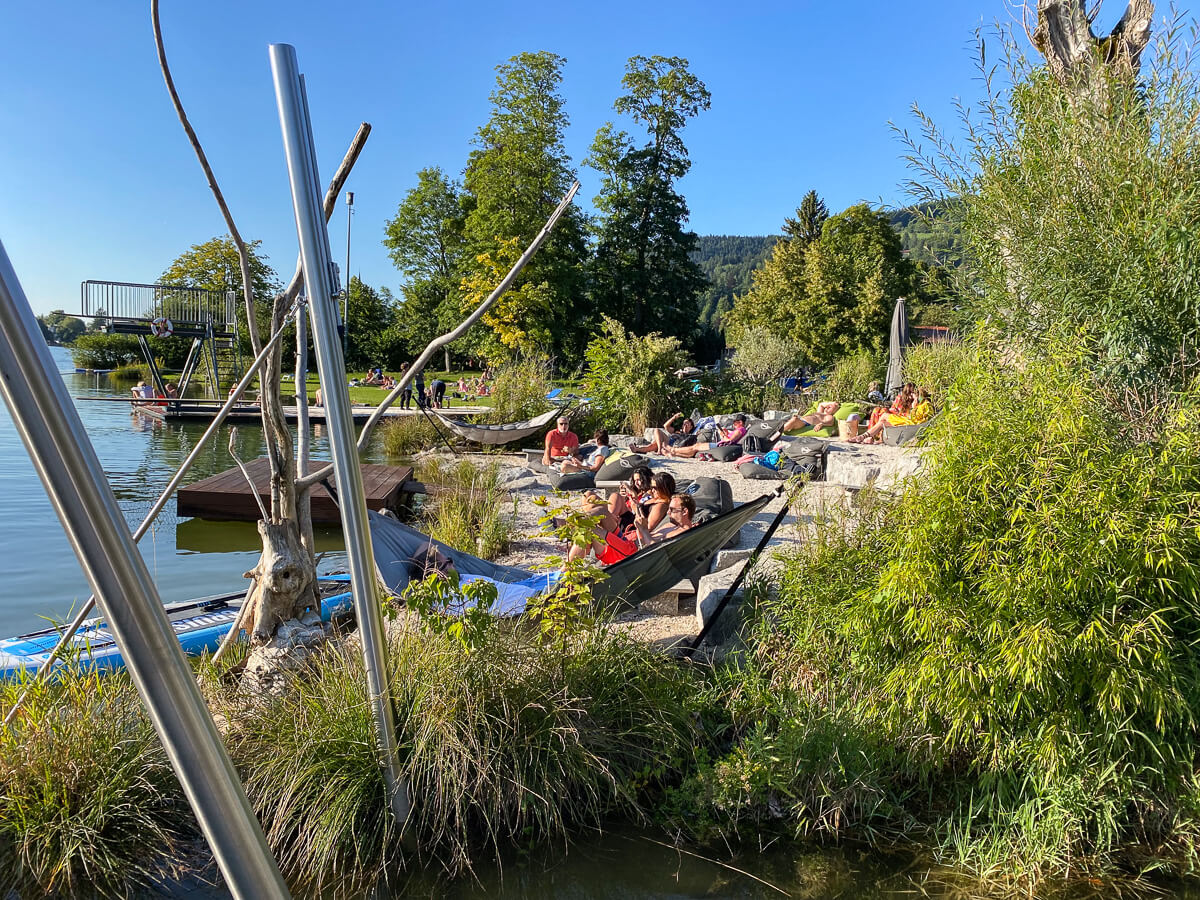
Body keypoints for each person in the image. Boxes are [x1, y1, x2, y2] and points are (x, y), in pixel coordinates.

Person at [850, 388, 934, 444]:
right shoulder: (923, 404)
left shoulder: (925, 405)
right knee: (882, 422)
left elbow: (916, 418)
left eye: (914, 396)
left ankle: (866, 437)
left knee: (884, 416)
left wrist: (914, 407)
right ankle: (863, 437)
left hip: (910, 424)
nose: (912, 397)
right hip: (909, 422)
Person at [666, 414, 747, 459]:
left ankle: (673, 450)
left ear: (740, 422)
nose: (734, 425)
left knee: (696, 447)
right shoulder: (738, 430)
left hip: (720, 445)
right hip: (721, 444)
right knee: (695, 448)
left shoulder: (740, 430)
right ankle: (674, 452)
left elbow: (728, 441)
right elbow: (728, 439)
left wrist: (722, 434)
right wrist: (725, 433)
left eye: (735, 423)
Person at [631, 412, 697, 455]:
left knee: (654, 445)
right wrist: (674, 417)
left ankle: (638, 449)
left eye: (687, 423)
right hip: (667, 442)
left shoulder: (690, 435)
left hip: (672, 445)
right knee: (656, 432)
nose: (685, 424)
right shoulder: (678, 431)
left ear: (691, 426)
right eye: (684, 423)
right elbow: (665, 426)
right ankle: (638, 449)